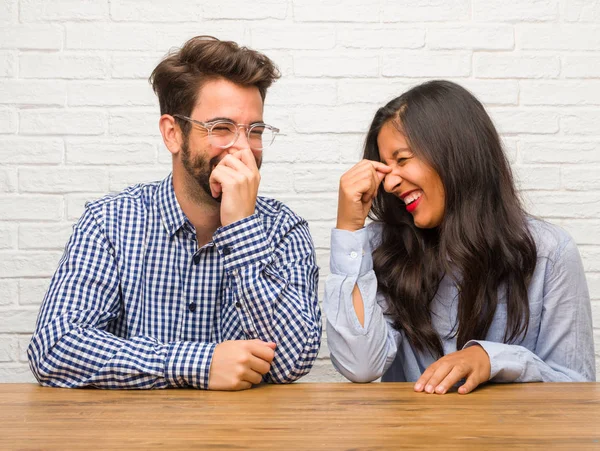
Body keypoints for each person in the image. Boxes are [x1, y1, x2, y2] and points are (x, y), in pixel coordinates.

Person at [27, 36, 321, 390]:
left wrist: (243, 227)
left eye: (254, 131)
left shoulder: (283, 229)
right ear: (172, 134)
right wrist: (200, 363)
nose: (243, 149)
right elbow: (54, 349)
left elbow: (293, 360)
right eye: (221, 128)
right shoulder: (110, 222)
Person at [325, 80, 595, 394]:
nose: (389, 184)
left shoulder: (550, 252)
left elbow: (577, 390)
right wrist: (348, 228)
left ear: (454, 153)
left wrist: (491, 359)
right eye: (385, 167)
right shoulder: (382, 247)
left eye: (402, 160)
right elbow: (360, 366)